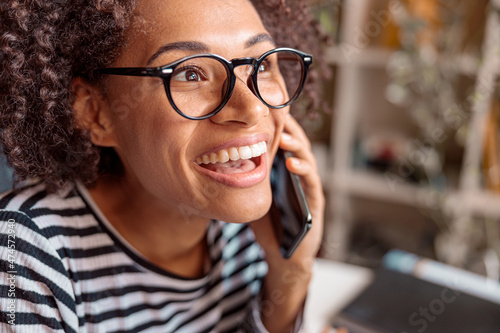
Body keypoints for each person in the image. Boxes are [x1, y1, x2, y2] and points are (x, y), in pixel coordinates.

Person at [0, 0, 325, 331]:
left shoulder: (247, 228)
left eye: (262, 65)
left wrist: (290, 270)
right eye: (190, 73)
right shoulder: (25, 250)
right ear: (96, 112)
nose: (253, 108)